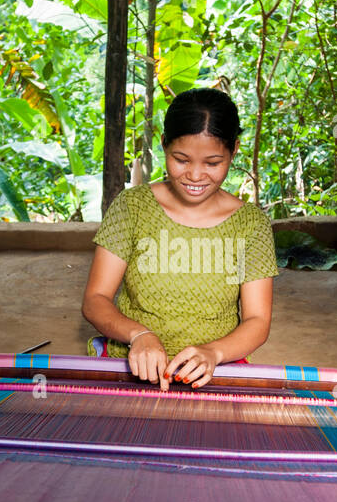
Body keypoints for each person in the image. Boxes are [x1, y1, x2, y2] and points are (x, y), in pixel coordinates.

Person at [82, 87, 278, 389]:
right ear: (163, 144)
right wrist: (139, 336)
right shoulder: (132, 207)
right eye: (181, 160)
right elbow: (96, 300)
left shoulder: (251, 225)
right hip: (134, 358)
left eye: (212, 163)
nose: (196, 175)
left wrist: (213, 352)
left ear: (234, 150)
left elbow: (257, 321)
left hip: (215, 366)